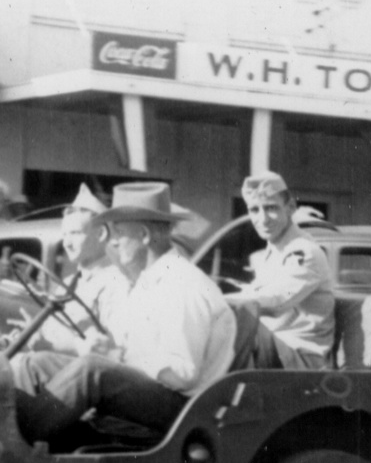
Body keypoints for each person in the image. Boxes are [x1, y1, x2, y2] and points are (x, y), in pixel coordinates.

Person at [12, 182, 236, 448]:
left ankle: (11, 445)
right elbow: (125, 346)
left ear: (144, 235)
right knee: (34, 364)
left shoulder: (183, 284)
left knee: (91, 372)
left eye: (117, 232)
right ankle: (40, 443)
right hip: (153, 393)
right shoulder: (146, 282)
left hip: (183, 409)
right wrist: (105, 347)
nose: (112, 242)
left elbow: (182, 373)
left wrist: (115, 355)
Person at [228, 172, 335, 370]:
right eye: (254, 210)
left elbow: (276, 302)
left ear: (290, 208)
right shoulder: (273, 252)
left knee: (236, 322)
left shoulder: (305, 251)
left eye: (271, 208)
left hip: (301, 358)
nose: (263, 219)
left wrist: (221, 302)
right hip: (276, 351)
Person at [6, 184, 128, 356]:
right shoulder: (68, 283)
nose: (67, 243)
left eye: (75, 234)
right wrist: (23, 339)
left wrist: (47, 346)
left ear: (100, 234)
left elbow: (109, 349)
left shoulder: (116, 283)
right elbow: (49, 336)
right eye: (64, 235)